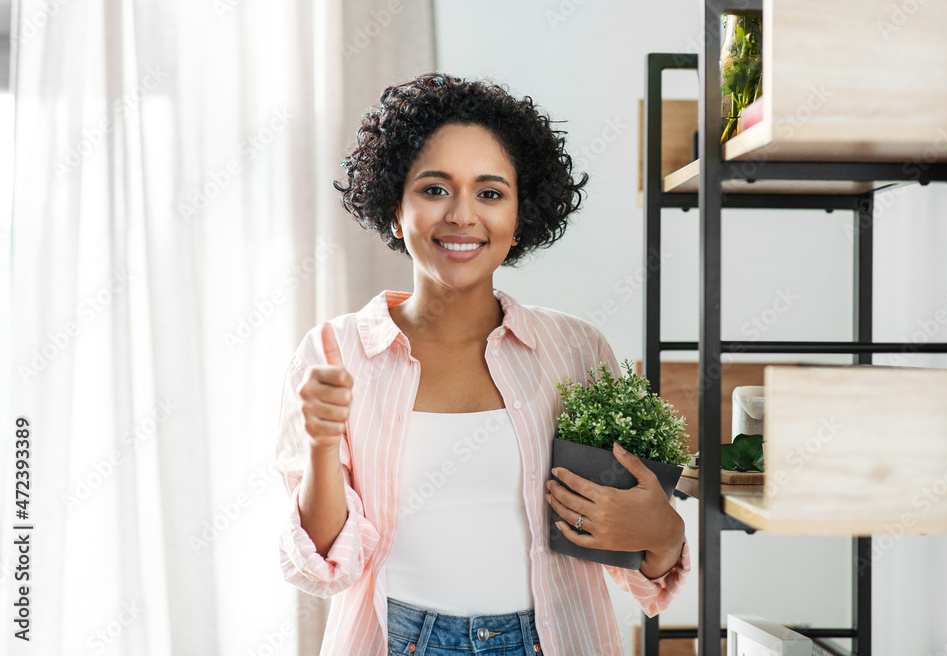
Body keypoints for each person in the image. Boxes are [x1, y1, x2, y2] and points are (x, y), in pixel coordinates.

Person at [276, 72, 689, 656]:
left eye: (490, 193)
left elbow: (635, 558)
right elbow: (326, 568)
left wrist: (664, 532)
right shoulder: (333, 351)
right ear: (395, 206)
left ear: (520, 216)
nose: (462, 216)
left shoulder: (576, 349)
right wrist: (321, 444)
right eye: (435, 189)